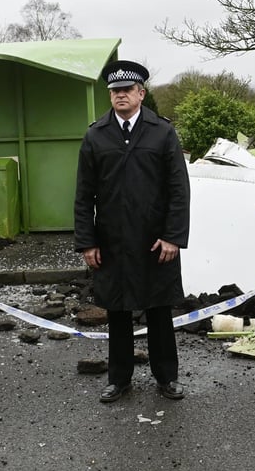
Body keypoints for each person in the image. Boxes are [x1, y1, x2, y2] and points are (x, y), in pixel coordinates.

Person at [74, 60, 190, 403]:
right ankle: (119, 379)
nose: (120, 95)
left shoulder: (162, 132)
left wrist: (173, 236)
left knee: (158, 310)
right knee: (118, 311)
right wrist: (87, 241)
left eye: (127, 90)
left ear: (141, 93)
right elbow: (83, 194)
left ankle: (167, 377)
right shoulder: (96, 135)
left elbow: (178, 190)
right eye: (114, 91)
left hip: (155, 240)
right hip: (112, 241)